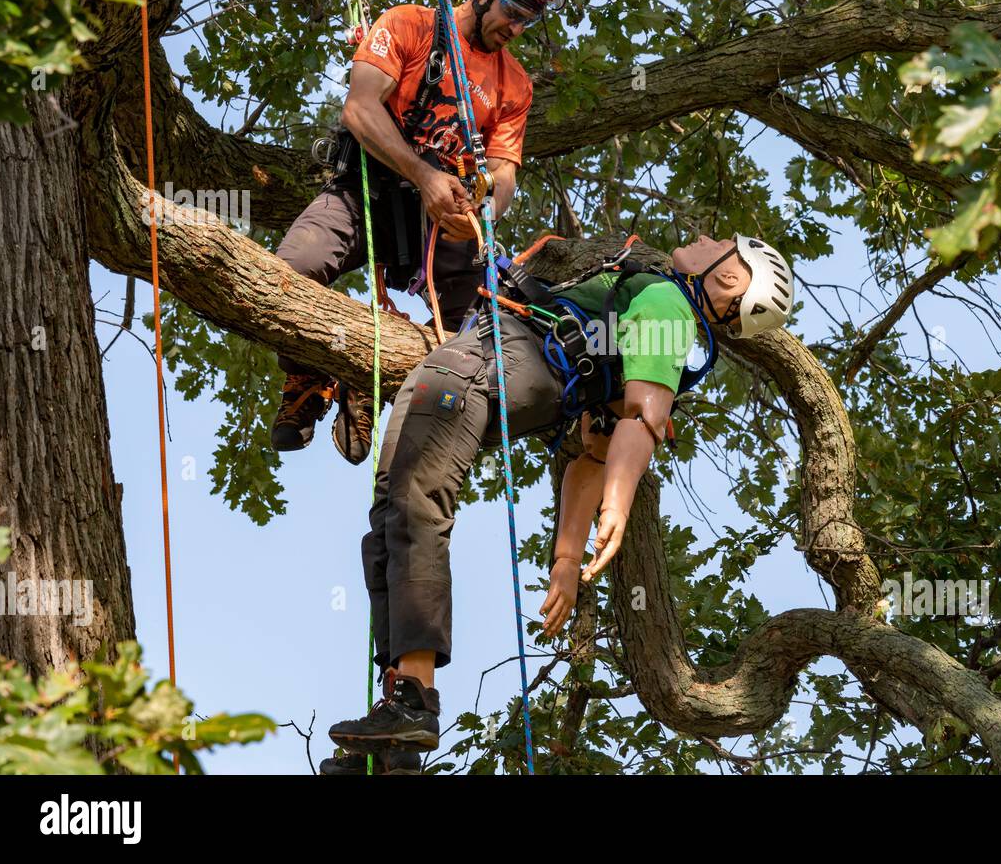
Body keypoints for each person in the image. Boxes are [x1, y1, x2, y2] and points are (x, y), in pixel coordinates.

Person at [319, 233, 796, 772]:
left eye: (721, 243)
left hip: (480, 367)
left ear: (730, 277)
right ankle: (396, 742)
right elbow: (594, 452)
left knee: (412, 502)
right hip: (501, 376)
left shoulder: (666, 302)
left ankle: (413, 700)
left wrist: (616, 507)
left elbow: (641, 419)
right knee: (394, 511)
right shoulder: (654, 327)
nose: (706, 238)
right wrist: (566, 561)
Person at [269, 0, 568, 466]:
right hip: (368, 192)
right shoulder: (410, 26)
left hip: (442, 225)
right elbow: (360, 109)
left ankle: (371, 379)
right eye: (516, 8)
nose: (519, 26)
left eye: (531, 17)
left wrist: (481, 209)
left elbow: (504, 174)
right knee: (291, 268)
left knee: (482, 344)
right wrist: (424, 175)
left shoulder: (514, 85)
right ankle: (312, 373)